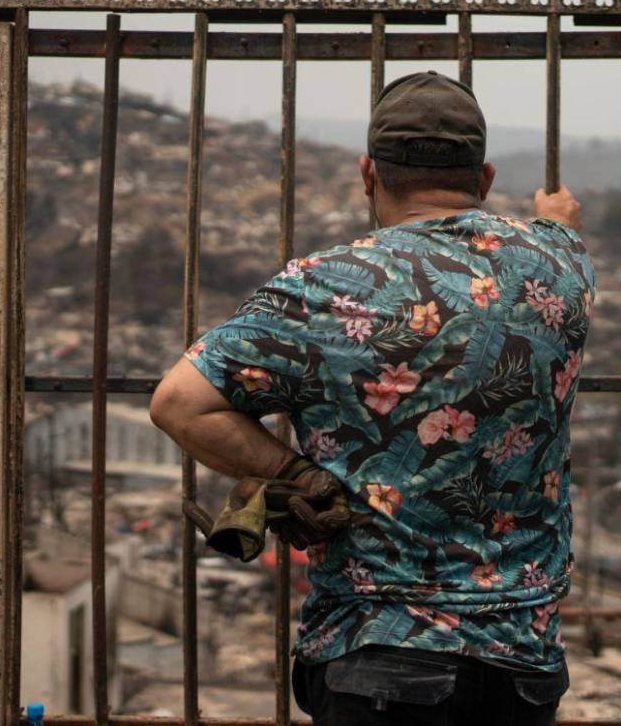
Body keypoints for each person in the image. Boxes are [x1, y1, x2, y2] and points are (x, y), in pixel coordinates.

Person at [150, 71, 596, 725]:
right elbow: (559, 226)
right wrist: (554, 218)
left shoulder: (321, 287)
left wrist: (296, 476)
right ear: (485, 177)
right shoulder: (559, 266)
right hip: (521, 664)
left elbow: (177, 403)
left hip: (375, 659)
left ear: (368, 174)